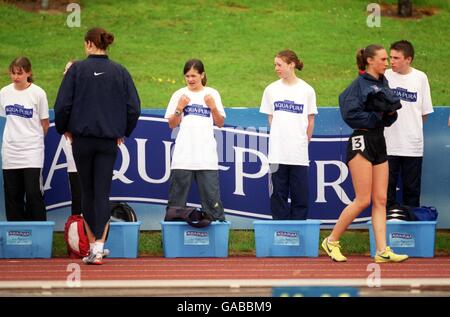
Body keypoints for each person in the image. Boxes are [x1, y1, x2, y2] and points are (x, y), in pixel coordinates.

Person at [54, 27, 141, 265]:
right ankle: (99, 248)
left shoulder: (76, 70)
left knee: (87, 194)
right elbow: (134, 108)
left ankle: (93, 248)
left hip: (81, 140)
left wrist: (65, 128)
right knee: (102, 193)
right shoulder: (120, 71)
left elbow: (62, 106)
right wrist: (122, 131)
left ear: (90, 44)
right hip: (108, 142)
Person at [321, 44, 408, 263]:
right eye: (382, 59)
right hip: (361, 139)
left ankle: (382, 250)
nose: (386, 63)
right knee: (362, 200)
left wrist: (388, 115)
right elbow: (350, 114)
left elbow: (389, 114)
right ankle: (331, 241)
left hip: (379, 139)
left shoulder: (383, 82)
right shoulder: (358, 85)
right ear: (370, 61)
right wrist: (378, 117)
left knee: (381, 199)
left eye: (387, 59)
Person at [165, 59, 226, 222]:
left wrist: (212, 107)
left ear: (202, 75)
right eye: (187, 76)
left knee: (212, 202)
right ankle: (172, 241)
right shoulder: (179, 95)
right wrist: (180, 107)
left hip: (206, 157)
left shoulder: (212, 93)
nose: (190, 79)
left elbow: (220, 123)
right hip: (183, 157)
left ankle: (217, 241)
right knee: (176, 203)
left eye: (194, 76)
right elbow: (172, 124)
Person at [259, 50, 317, 220]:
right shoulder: (271, 89)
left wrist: (302, 141)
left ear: (291, 64)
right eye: (275, 65)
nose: (276, 68)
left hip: (298, 154)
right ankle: (280, 233)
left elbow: (310, 120)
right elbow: (271, 118)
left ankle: (298, 234)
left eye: (279, 64)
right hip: (277, 153)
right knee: (278, 196)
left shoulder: (307, 90)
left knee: (300, 197)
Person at [384, 40, 434, 210]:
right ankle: (387, 231)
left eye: (397, 58)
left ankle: (410, 232)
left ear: (408, 59)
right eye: (391, 57)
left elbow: (425, 112)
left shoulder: (420, 78)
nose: (392, 61)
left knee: (412, 192)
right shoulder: (385, 76)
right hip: (388, 145)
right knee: (386, 191)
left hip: (412, 145)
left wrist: (411, 129)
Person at [0, 57, 49, 221]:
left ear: (29, 72)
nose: (16, 77)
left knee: (33, 193)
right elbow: (6, 117)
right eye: (13, 73)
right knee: (12, 194)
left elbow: (45, 123)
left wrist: (34, 142)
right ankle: (16, 234)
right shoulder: (4, 92)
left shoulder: (38, 93)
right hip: (10, 151)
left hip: (32, 152)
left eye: (19, 73)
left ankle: (38, 232)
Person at [62, 60, 82, 216]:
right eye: (65, 70)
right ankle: (77, 230)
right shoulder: (65, 95)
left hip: (85, 144)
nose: (65, 73)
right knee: (76, 190)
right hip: (71, 144)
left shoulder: (86, 93)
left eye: (69, 70)